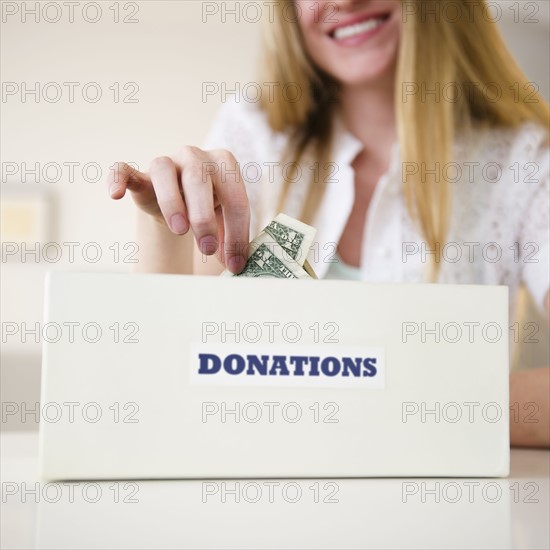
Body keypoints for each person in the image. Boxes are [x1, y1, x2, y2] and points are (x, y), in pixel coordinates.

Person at [107, 0, 549, 447]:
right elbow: (155, 392)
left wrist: (379, 405)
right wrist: (165, 228)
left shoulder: (526, 164)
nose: (341, 1)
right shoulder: (252, 135)